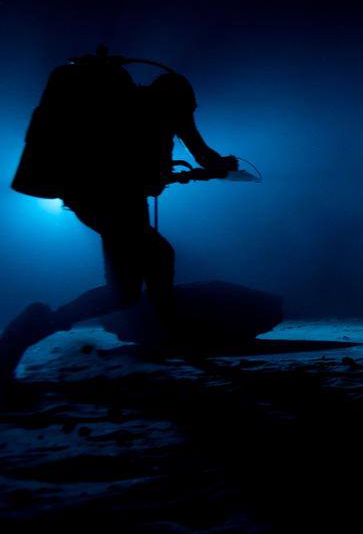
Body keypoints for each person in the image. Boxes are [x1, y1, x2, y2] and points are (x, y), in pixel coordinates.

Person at [1, 48, 238, 383]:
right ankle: (175, 339)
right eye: (188, 109)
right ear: (176, 99)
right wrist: (217, 166)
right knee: (158, 255)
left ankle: (35, 326)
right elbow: (191, 154)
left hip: (101, 200)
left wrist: (205, 169)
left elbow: (165, 162)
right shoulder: (151, 111)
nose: (189, 118)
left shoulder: (147, 109)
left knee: (124, 291)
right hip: (108, 201)